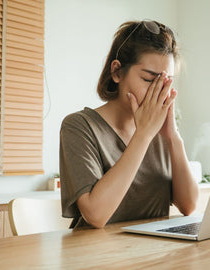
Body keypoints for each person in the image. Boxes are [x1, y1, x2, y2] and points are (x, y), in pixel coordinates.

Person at [59, 20, 199, 229]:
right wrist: (142, 135)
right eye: (149, 79)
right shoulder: (79, 126)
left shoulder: (162, 132)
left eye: (166, 82)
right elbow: (96, 215)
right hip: (94, 255)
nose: (159, 91)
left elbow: (188, 206)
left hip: (152, 253)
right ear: (117, 72)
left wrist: (174, 137)